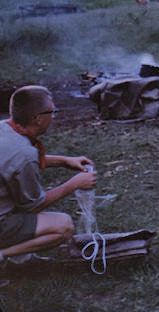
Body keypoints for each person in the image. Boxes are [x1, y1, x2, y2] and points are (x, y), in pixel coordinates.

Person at [1, 86, 96, 269]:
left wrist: (64, 161)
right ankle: (3, 255)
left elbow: (14, 162)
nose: (54, 116)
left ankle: (20, 256)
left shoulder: (5, 128)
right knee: (63, 226)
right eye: (52, 112)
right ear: (37, 118)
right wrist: (73, 184)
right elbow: (34, 205)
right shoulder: (23, 155)